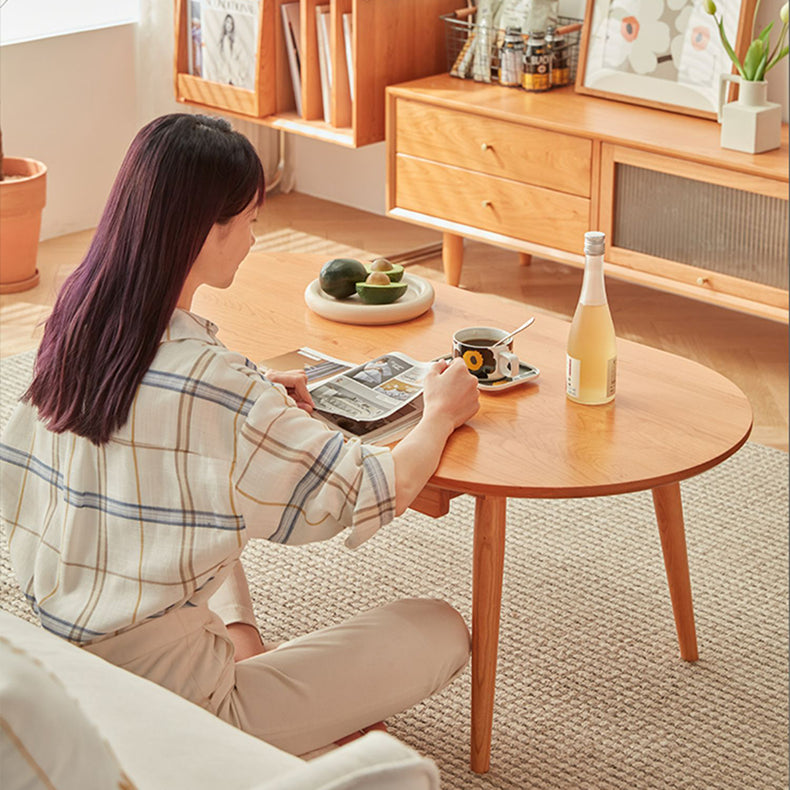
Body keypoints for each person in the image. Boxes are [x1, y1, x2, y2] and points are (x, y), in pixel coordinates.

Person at [0, 114, 480, 756]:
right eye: (250, 221)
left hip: (69, 656)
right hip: (173, 706)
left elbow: (128, 423)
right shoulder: (215, 385)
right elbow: (367, 489)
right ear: (206, 229)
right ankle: (264, 735)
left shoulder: (79, 321)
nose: (254, 238)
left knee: (207, 512)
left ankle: (249, 660)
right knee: (440, 628)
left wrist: (250, 388)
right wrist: (441, 412)